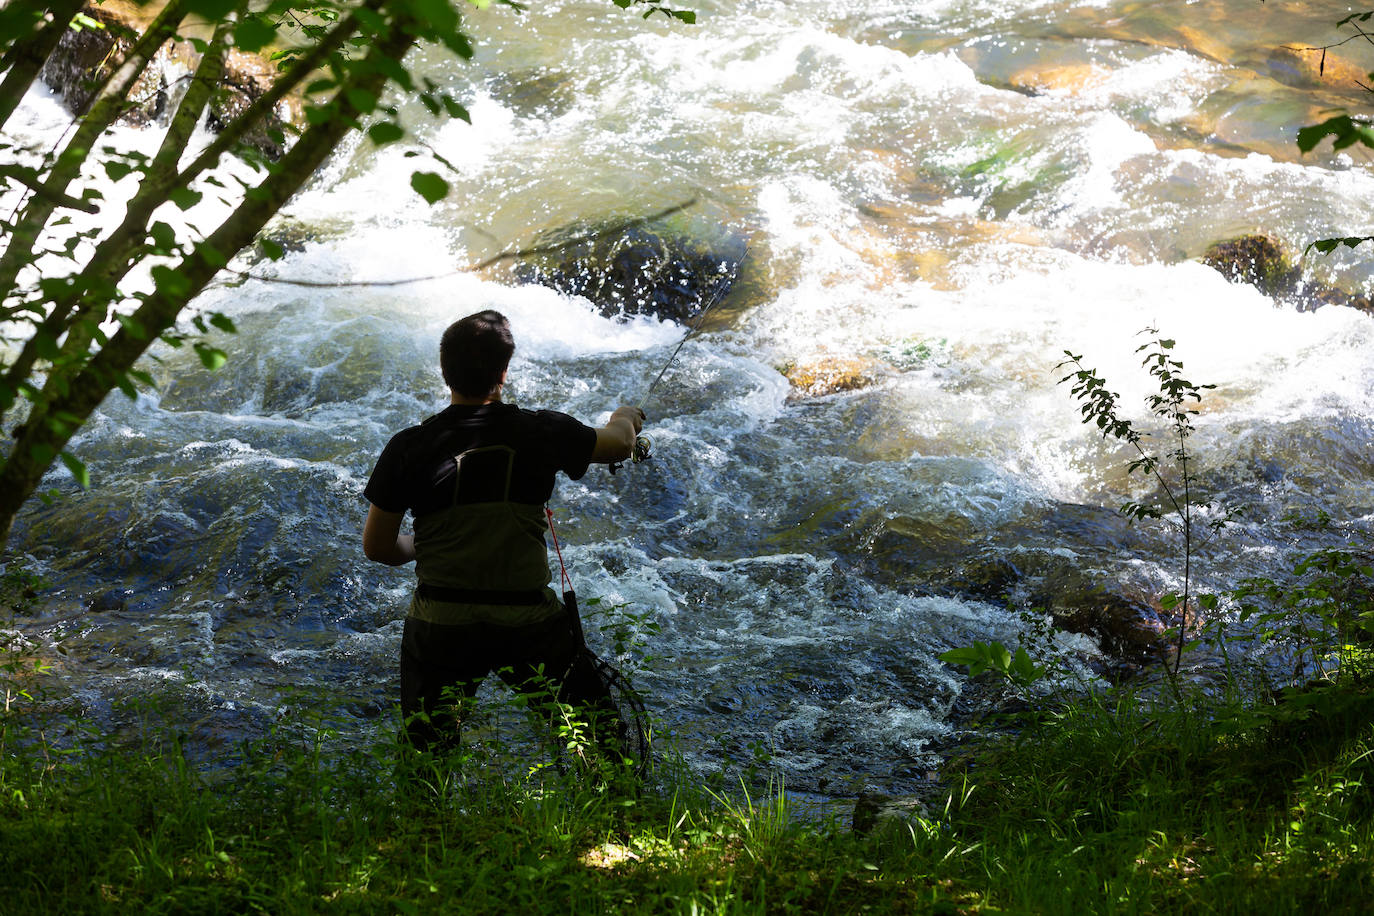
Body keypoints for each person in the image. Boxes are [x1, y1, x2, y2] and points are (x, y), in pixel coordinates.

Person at [362, 309, 646, 757]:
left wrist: (427, 543)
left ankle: (423, 819)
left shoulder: (410, 446)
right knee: (600, 743)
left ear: (444, 371)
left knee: (426, 754)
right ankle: (615, 817)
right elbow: (621, 443)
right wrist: (625, 415)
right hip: (529, 620)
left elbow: (377, 548)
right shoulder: (542, 430)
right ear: (503, 373)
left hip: (441, 622)